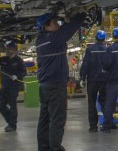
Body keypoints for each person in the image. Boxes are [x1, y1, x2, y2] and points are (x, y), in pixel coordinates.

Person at [35, 11, 86, 151]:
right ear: (46, 26)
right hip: (55, 85)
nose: (58, 25)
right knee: (57, 118)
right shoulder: (52, 39)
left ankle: (44, 147)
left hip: (45, 85)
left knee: (44, 118)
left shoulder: (41, 40)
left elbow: (63, 31)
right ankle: (55, 147)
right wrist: (81, 15)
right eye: (54, 23)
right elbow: (68, 30)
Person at [0, 41, 27, 131]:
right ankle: (10, 120)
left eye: (9, 49)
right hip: (4, 87)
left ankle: (12, 125)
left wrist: (17, 76)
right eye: (7, 49)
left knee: (12, 105)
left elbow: (24, 72)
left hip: (13, 87)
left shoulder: (18, 61)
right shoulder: (4, 59)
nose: (7, 51)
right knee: (0, 105)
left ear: (14, 50)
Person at [79, 30, 109, 132]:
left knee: (91, 103)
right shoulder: (107, 50)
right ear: (104, 39)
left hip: (92, 80)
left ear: (95, 38)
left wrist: (82, 77)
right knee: (104, 101)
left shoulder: (90, 50)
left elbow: (86, 64)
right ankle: (107, 124)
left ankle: (93, 126)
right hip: (104, 80)